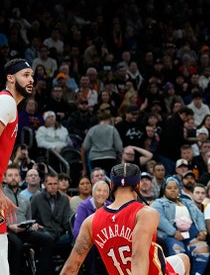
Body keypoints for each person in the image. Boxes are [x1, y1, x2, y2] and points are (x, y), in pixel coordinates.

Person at [61, 163, 191, 274]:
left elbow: (71, 267)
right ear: (138, 185)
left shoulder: (90, 221)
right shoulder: (145, 213)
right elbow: (137, 257)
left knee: (183, 259)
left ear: (111, 185)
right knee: (184, 260)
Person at [0, 59, 34, 265]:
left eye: (32, 75)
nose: (31, 79)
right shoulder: (6, 101)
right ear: (10, 78)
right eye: (25, 75)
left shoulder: (10, 104)